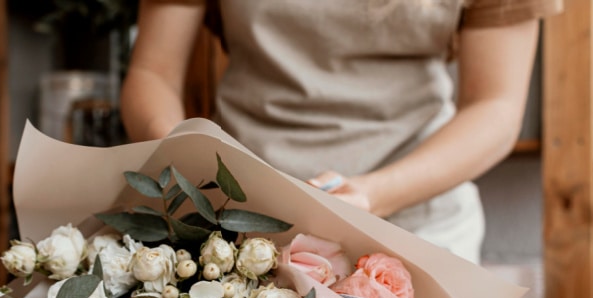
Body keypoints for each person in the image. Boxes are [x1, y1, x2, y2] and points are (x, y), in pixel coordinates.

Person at [120, 0, 563, 263]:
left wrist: (374, 194)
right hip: (238, 217)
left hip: (416, 227)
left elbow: (496, 108)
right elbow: (152, 73)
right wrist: (192, 170)